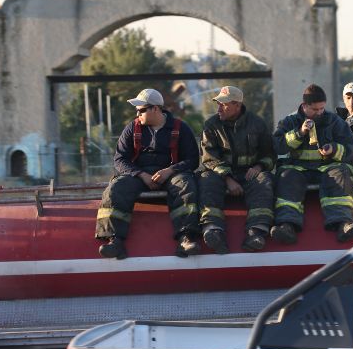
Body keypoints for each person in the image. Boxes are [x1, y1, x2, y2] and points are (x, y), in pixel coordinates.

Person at [95, 88, 201, 259]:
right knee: (115, 188)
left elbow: (192, 160)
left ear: (156, 109)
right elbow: (120, 159)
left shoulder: (181, 128)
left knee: (185, 185)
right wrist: (140, 174)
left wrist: (170, 171)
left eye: (141, 110)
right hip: (139, 174)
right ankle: (115, 241)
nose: (138, 114)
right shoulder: (132, 128)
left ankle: (186, 238)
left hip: (171, 174)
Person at [271, 84, 353, 244]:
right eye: (315, 109)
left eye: (322, 109)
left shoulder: (335, 121)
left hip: (327, 168)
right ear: (304, 106)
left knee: (340, 173)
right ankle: (287, 226)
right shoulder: (290, 121)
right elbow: (277, 145)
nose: (319, 113)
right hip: (298, 169)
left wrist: (334, 149)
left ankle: (343, 224)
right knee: (286, 177)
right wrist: (299, 133)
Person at [197, 86, 276, 253]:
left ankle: (256, 233)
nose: (219, 108)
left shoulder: (257, 124)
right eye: (218, 104)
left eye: (224, 105)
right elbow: (209, 158)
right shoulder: (211, 125)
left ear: (237, 105)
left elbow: (269, 154)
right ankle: (213, 231)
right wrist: (228, 179)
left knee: (264, 180)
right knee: (206, 179)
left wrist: (259, 166)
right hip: (221, 175)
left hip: (249, 174)